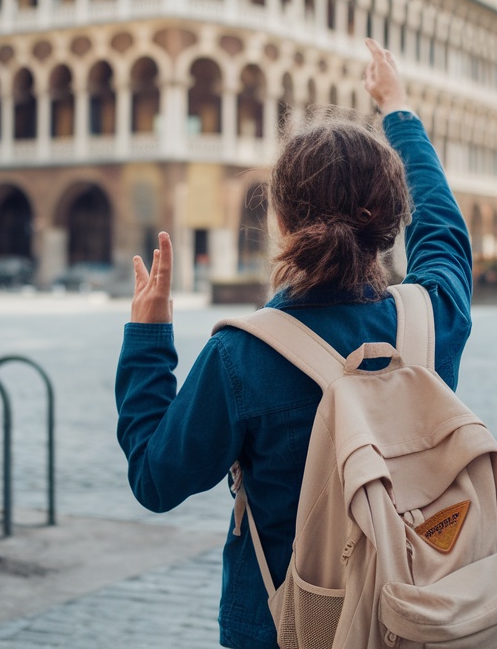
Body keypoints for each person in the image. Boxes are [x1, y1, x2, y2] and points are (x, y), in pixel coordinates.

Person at [115, 39, 473, 649]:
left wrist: (149, 338)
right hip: (410, 620)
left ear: (281, 218)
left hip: (284, 628)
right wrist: (399, 112)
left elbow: (155, 478)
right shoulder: (431, 319)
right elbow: (442, 226)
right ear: (390, 219)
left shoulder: (243, 356)